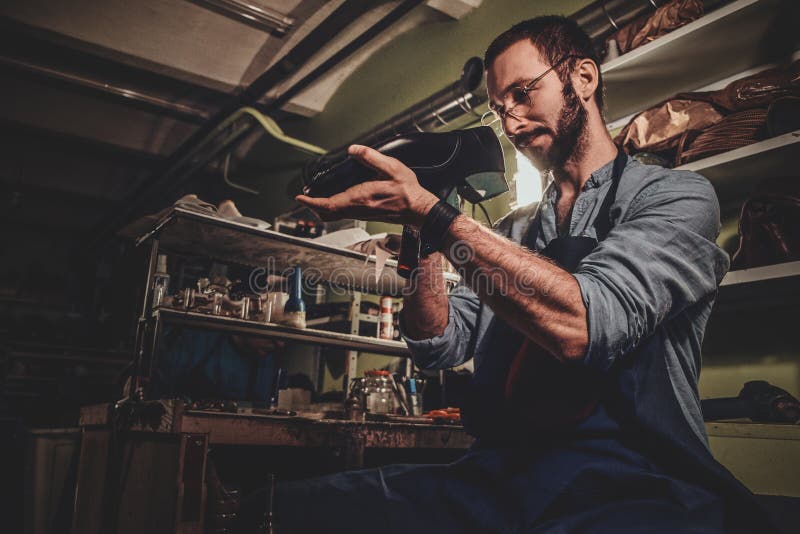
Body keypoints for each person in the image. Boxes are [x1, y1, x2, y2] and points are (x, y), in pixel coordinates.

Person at [238, 16, 776, 533]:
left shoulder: (674, 197)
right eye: (500, 108)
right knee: (284, 507)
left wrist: (435, 215)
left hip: (635, 476)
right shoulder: (513, 231)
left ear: (583, 77)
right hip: (503, 473)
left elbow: (587, 325)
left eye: (523, 92)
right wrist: (420, 229)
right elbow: (437, 342)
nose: (511, 121)